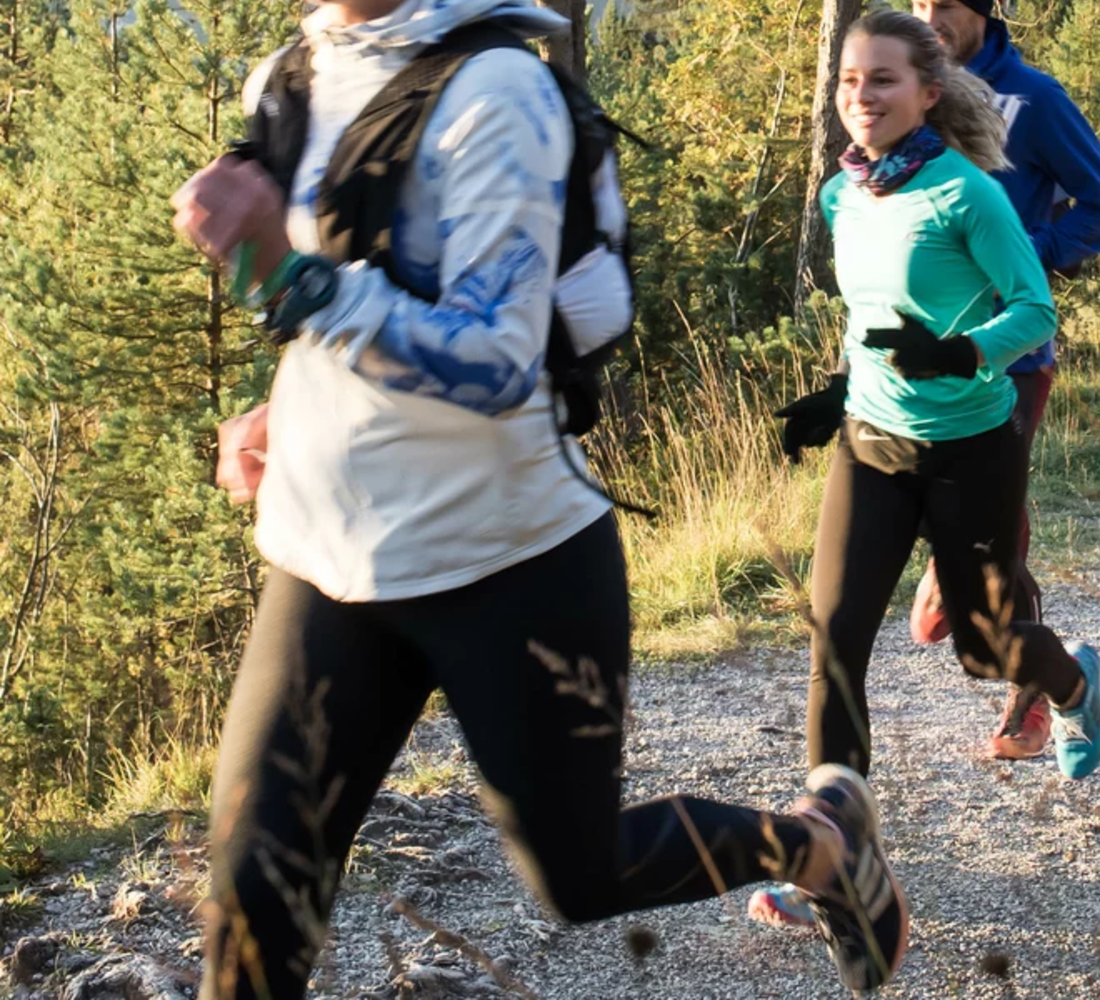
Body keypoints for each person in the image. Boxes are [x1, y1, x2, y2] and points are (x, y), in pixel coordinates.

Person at [169, 1, 907, 995]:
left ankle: (819, 848)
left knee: (581, 876)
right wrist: (284, 407)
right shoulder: (291, 75)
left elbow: (495, 357)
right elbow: (348, 288)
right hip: (323, 550)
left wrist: (280, 278)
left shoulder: (495, 93)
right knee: (253, 903)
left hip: (504, 559)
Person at [749, 7, 1100, 928]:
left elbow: (1035, 312)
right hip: (870, 444)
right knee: (836, 644)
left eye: (882, 80)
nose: (861, 97)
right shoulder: (842, 195)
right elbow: (871, 314)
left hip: (971, 449)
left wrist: (962, 356)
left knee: (985, 652)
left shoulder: (968, 194)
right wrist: (839, 393)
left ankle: (1068, 682)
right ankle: (827, 857)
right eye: (848, 82)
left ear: (926, 93)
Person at [906, 0, 1100, 761]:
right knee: (933, 615)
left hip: (1009, 357)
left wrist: (1026, 253)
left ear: (983, 10)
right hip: (912, 363)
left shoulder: (1034, 99)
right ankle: (1058, 667)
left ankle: (1038, 699)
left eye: (946, 4)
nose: (929, 17)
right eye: (917, 2)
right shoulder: (905, 90)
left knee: (992, 536)